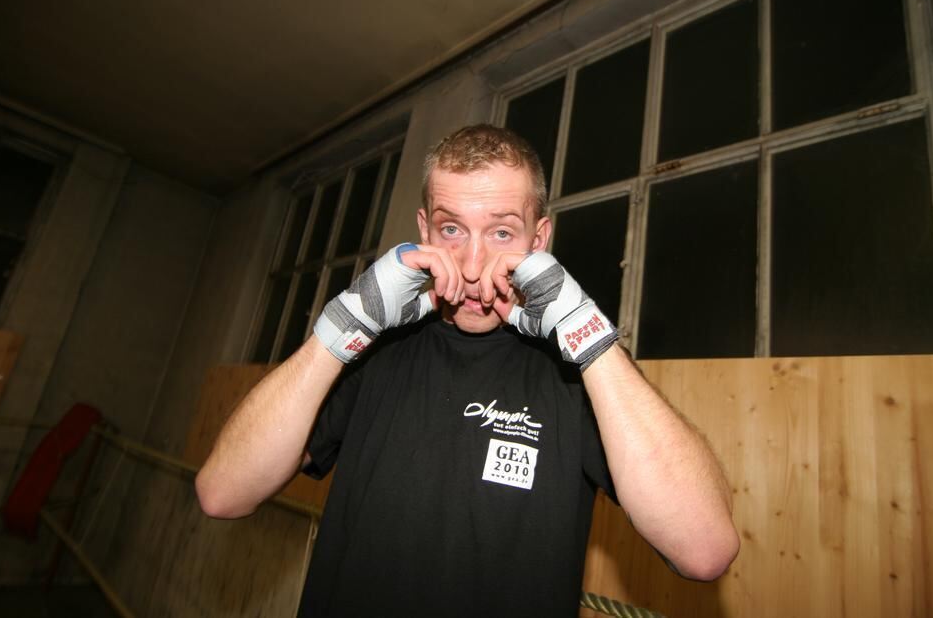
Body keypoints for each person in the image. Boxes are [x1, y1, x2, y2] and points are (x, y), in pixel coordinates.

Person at [196, 124, 739, 617]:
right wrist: (343, 327)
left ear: (539, 240)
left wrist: (588, 339)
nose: (474, 267)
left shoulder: (577, 376)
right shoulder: (374, 347)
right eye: (452, 229)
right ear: (424, 231)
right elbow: (222, 494)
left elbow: (704, 549)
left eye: (502, 232)